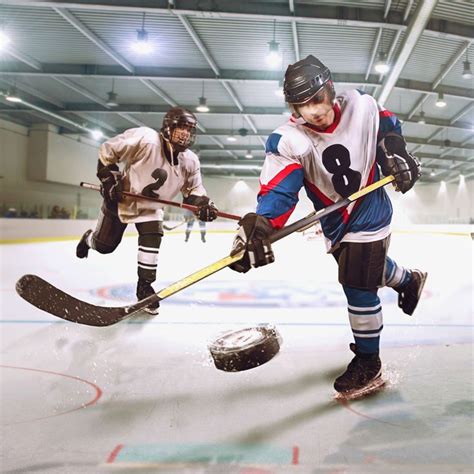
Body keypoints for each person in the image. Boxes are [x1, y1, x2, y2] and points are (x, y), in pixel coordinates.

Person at [229, 55, 427, 396]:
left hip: (370, 209)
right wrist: (261, 225)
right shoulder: (288, 139)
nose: (314, 111)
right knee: (367, 270)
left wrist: (396, 154)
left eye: (317, 100)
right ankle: (408, 280)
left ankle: (369, 362)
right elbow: (280, 190)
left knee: (357, 284)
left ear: (330, 90)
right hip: (334, 222)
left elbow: (387, 129)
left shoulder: (361, 104)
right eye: (302, 105)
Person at [76, 106, 218, 314]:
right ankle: (89, 239)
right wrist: (109, 179)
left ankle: (144, 287)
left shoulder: (190, 160)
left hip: (151, 209)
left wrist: (204, 205)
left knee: (153, 236)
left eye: (189, 129)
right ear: (168, 127)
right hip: (121, 201)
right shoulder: (146, 139)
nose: (186, 133)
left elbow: (194, 191)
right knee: (105, 246)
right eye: (181, 127)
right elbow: (108, 151)